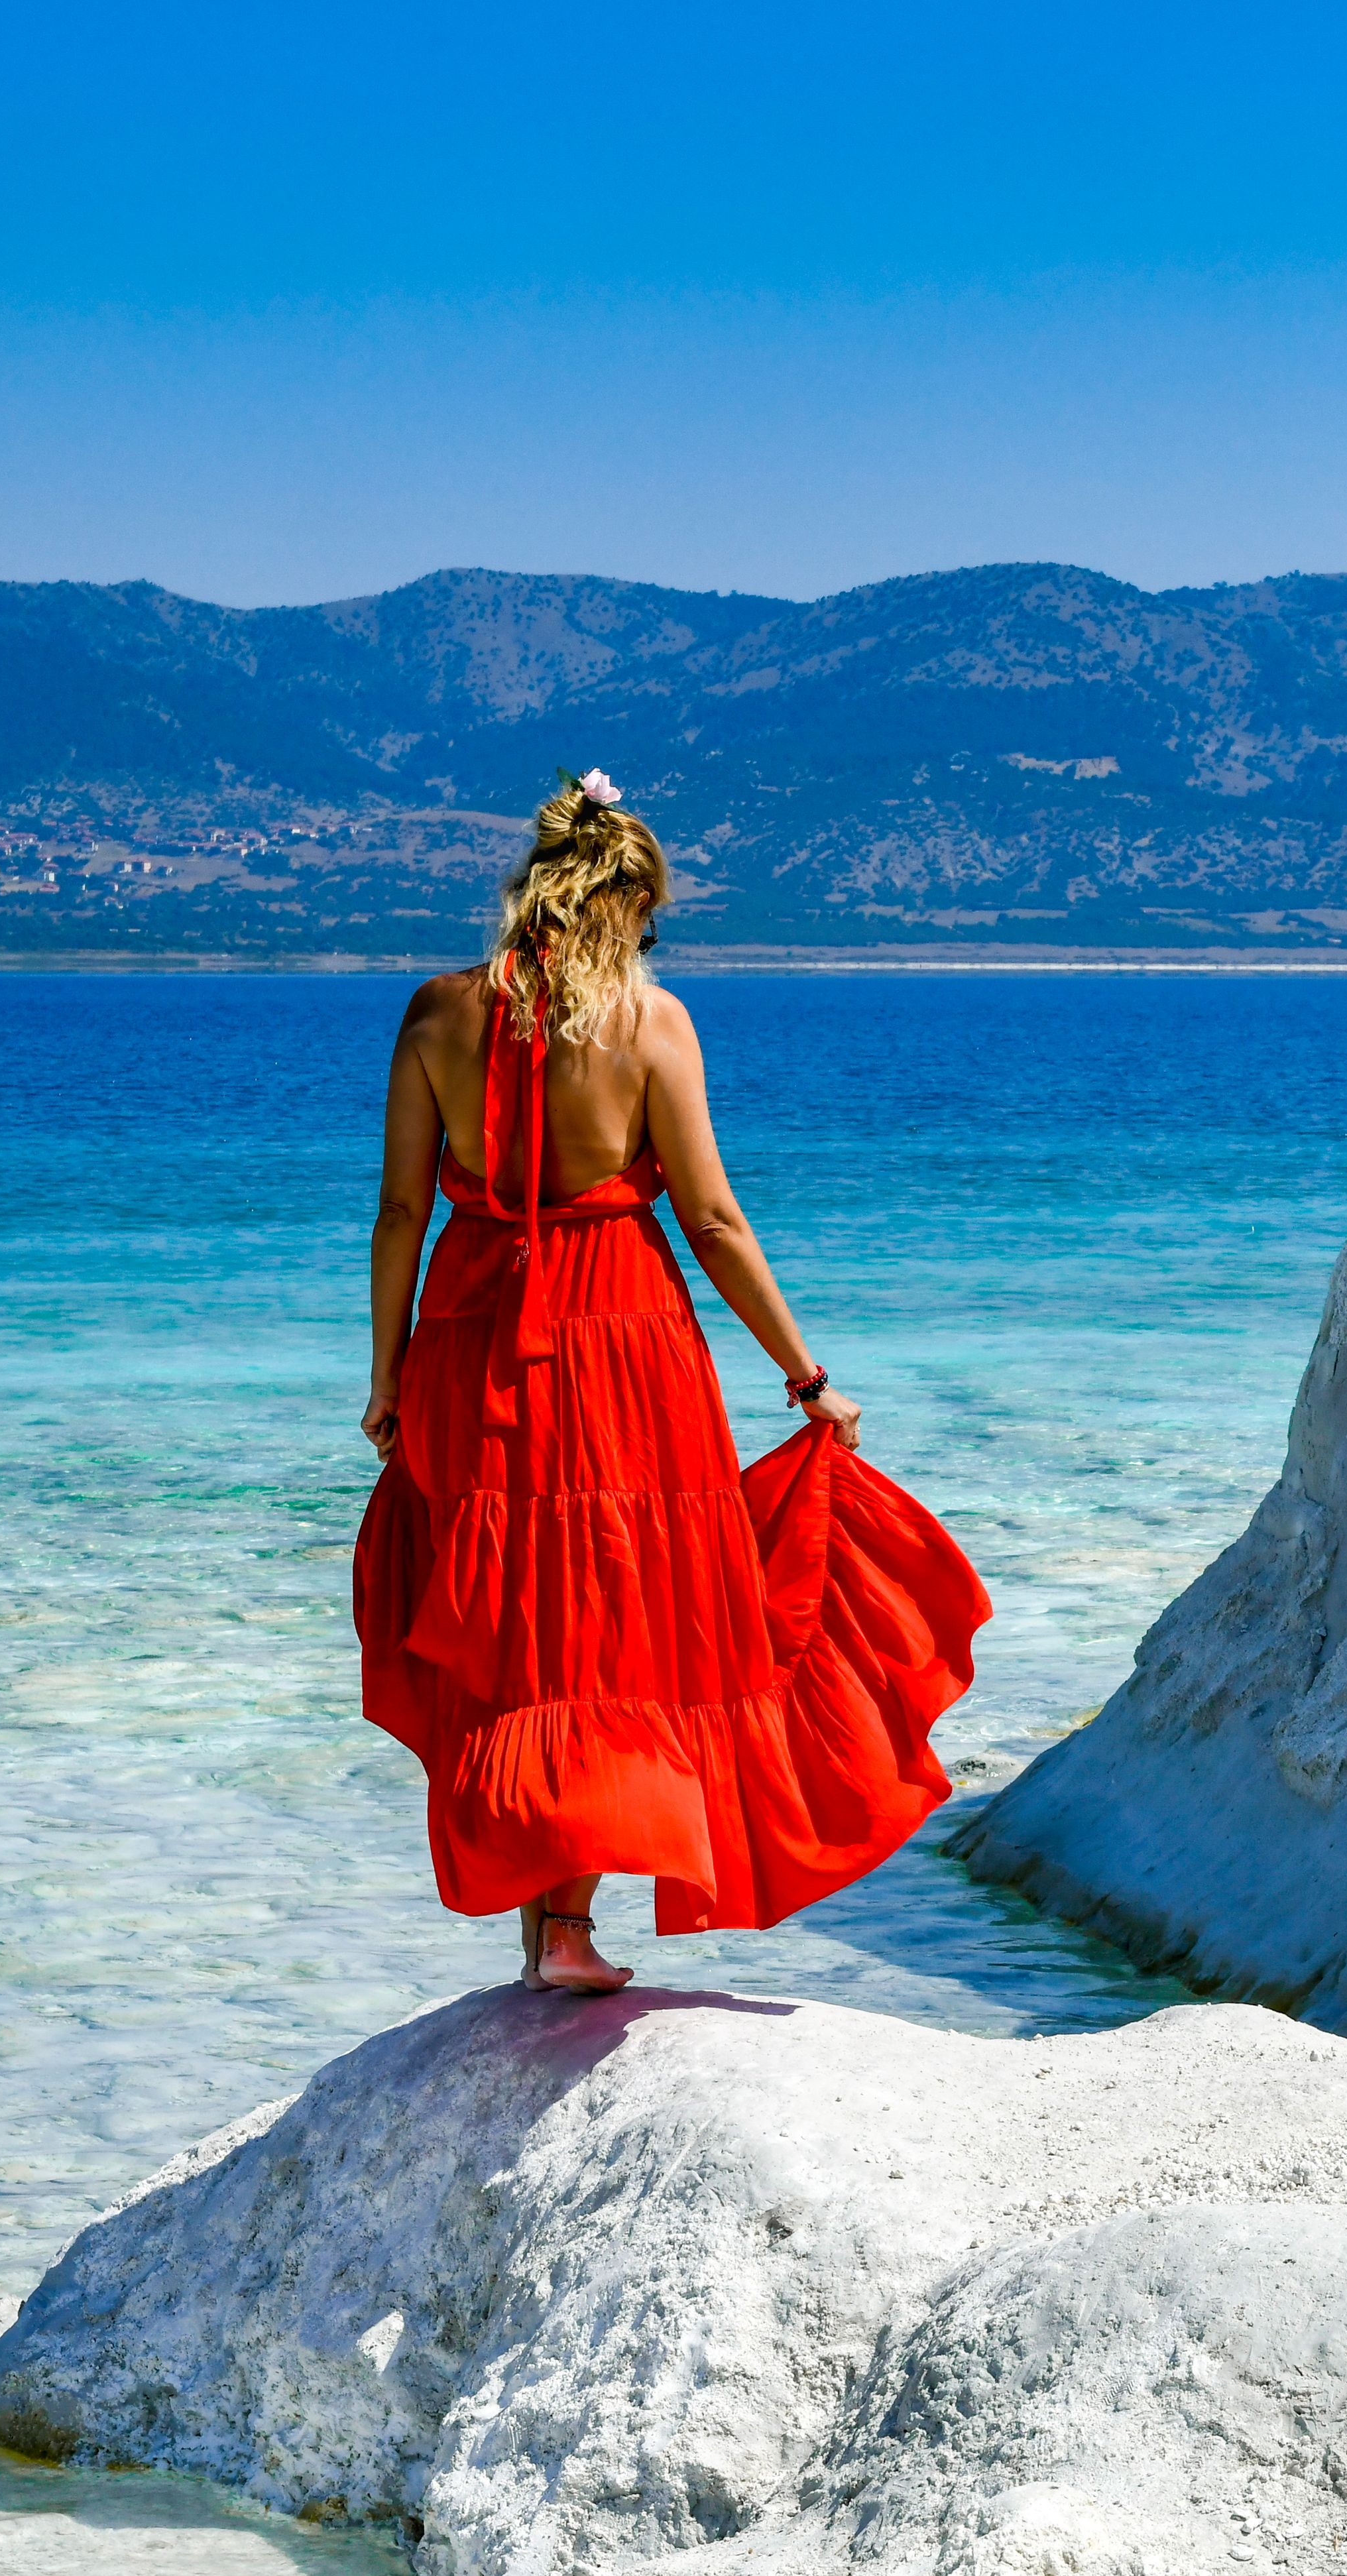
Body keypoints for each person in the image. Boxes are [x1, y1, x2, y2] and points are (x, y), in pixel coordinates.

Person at [352, 770, 986, 1993]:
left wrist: (385, 1375)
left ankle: (550, 1931)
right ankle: (569, 1930)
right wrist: (807, 1377)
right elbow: (712, 1218)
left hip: (470, 1334)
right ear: (628, 905)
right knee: (613, 1617)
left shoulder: (437, 1015)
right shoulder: (650, 1025)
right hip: (623, 1335)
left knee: (512, 1619)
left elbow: (396, 1215)